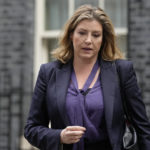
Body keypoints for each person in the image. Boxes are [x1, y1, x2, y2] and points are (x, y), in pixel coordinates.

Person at [24, 4, 150, 150]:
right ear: (71, 35)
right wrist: (59, 136)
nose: (88, 40)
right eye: (82, 33)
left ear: (103, 39)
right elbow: (31, 129)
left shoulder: (122, 71)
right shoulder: (48, 72)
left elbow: (142, 128)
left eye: (96, 35)